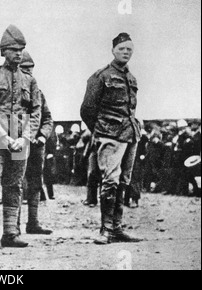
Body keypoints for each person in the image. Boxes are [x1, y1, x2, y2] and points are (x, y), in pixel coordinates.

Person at [0, 25, 41, 251]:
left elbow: (36, 112)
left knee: (15, 186)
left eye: (21, 49)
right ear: (3, 51)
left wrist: (25, 138)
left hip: (20, 140)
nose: (19, 53)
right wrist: (4, 136)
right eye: (13, 49)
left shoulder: (30, 81)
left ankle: (11, 233)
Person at [80, 32, 143, 244]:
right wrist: (101, 131)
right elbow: (87, 109)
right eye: (122, 49)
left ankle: (117, 227)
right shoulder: (101, 76)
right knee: (110, 180)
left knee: (124, 181)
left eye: (129, 50)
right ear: (113, 50)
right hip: (110, 136)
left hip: (130, 134)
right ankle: (105, 229)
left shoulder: (131, 77)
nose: (126, 52)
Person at [18, 51, 53, 235]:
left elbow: (47, 119)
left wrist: (42, 136)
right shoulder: (12, 93)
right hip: (17, 143)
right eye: (24, 69)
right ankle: (13, 225)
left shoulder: (38, 93)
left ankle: (33, 222)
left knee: (35, 182)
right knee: (15, 183)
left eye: (30, 69)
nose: (28, 72)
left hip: (36, 145)